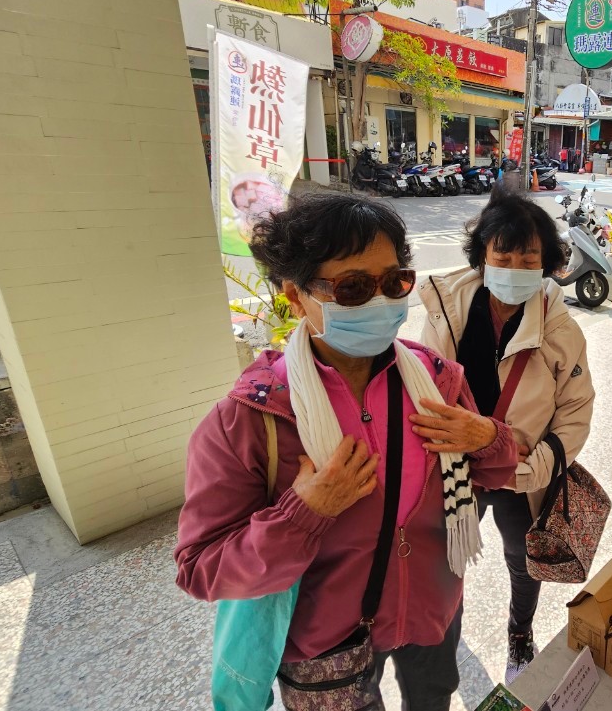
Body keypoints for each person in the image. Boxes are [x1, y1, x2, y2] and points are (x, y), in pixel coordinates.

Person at [176, 194, 517, 711]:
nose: (381, 301)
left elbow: (497, 472)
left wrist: (487, 438)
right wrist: (303, 513)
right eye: (353, 287)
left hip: (432, 612)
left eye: (395, 281)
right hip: (323, 641)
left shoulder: (438, 381)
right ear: (296, 295)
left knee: (433, 700)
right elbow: (201, 567)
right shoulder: (250, 420)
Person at [419, 188, 595, 684]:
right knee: (445, 559)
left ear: (547, 263)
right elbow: (423, 390)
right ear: (482, 255)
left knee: (523, 560)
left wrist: (536, 466)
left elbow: (576, 409)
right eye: (503, 255)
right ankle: (441, 633)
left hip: (525, 473)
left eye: (529, 257)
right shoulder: (445, 310)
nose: (515, 267)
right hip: (456, 474)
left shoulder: (561, 330)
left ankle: (520, 634)